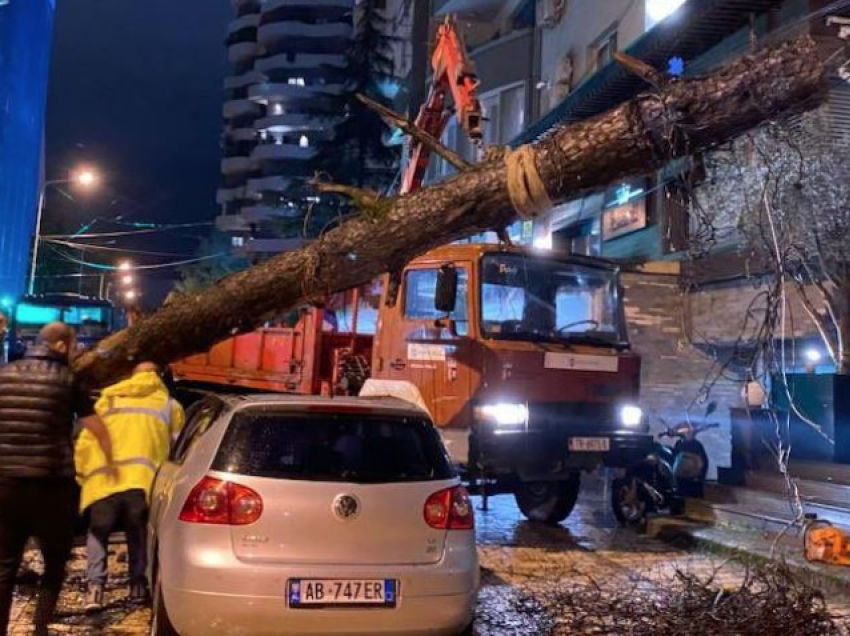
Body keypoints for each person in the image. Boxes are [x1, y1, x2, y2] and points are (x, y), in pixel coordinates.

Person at [0, 322, 114, 636]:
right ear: (62, 346)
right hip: (52, 486)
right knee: (54, 561)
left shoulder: (5, 374)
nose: (77, 351)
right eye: (75, 345)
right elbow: (96, 427)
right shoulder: (67, 379)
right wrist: (110, 462)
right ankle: (39, 629)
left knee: (5, 564)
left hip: (6, 484)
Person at [75, 362, 185, 610]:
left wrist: (83, 475)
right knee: (137, 532)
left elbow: (85, 441)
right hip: (142, 481)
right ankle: (137, 586)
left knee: (98, 532)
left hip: (104, 479)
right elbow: (179, 448)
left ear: (131, 377)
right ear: (158, 378)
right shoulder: (169, 406)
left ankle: (94, 590)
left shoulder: (109, 401)